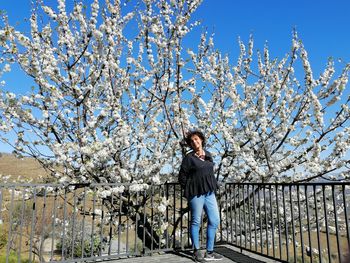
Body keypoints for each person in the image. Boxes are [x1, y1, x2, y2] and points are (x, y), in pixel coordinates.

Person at [178, 130, 223, 262]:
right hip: (195, 194)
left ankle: (210, 252)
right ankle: (196, 251)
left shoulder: (208, 155)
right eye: (192, 141)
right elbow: (182, 177)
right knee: (196, 221)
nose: (194, 142)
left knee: (214, 220)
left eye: (196, 139)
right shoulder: (189, 158)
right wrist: (190, 188)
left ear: (201, 140)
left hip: (209, 193)